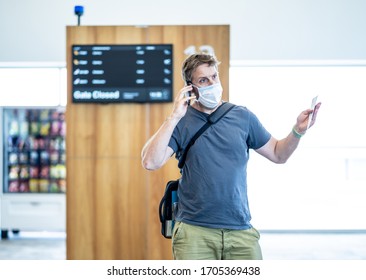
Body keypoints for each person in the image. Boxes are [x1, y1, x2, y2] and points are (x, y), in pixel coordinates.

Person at [141, 53, 321, 260]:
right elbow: (150, 161)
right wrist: (173, 117)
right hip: (194, 232)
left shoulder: (242, 117)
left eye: (214, 77)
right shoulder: (181, 121)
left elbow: (278, 154)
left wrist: (298, 131)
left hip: (240, 231)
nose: (211, 84)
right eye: (203, 80)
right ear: (190, 87)